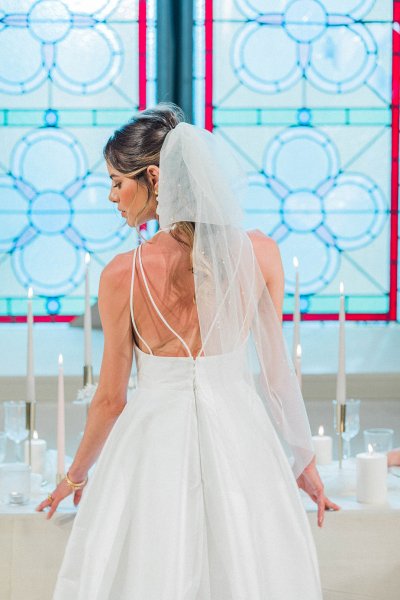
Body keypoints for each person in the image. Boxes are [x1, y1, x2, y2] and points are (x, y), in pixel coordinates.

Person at [36, 102, 339, 599]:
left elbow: (111, 400)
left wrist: (74, 477)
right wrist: (303, 461)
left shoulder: (121, 275)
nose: (112, 196)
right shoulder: (260, 253)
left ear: (154, 176)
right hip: (242, 442)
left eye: (118, 181)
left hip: (154, 450)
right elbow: (276, 372)